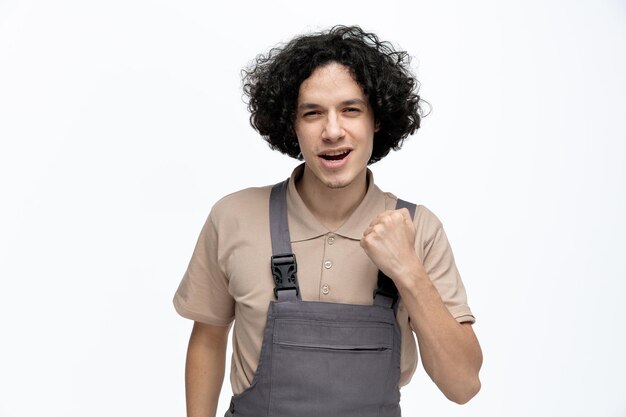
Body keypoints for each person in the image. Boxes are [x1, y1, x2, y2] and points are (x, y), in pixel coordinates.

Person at [173, 25, 482, 417]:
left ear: (377, 120)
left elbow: (463, 385)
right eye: (312, 113)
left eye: (351, 110)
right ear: (292, 125)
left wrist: (408, 271)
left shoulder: (419, 228)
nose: (332, 131)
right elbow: (209, 337)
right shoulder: (233, 216)